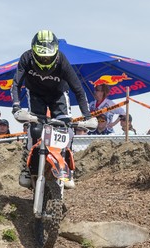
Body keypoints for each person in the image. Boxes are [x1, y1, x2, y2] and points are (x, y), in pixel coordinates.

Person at [11, 30, 97, 189]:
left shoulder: (62, 61)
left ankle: (68, 168)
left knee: (67, 128)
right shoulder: (26, 58)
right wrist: (16, 107)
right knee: (34, 128)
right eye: (41, 57)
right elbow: (16, 84)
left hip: (58, 95)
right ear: (33, 51)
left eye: (48, 57)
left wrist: (87, 116)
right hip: (36, 94)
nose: (44, 60)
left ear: (55, 53)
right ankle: (26, 168)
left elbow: (78, 89)